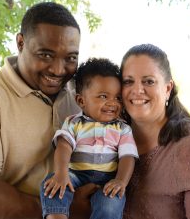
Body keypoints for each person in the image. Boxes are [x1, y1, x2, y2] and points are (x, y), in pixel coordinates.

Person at [0, 2, 95, 219]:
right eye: (46, 55)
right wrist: (61, 212)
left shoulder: (80, 95)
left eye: (70, 58)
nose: (59, 70)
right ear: (21, 43)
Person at [120, 43, 190, 219]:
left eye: (149, 81)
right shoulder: (111, 140)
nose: (137, 90)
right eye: (128, 81)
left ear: (168, 88)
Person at [40, 58, 138, 219]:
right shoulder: (74, 123)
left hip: (108, 180)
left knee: (111, 202)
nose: (112, 103)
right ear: (81, 101)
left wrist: (121, 181)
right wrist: (61, 173)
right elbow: (64, 147)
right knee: (51, 182)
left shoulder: (122, 129)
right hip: (76, 175)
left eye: (118, 98)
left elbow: (128, 156)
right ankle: (56, 216)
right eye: (103, 96)